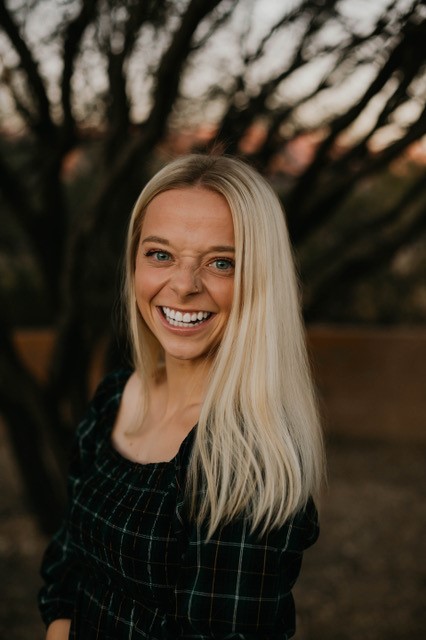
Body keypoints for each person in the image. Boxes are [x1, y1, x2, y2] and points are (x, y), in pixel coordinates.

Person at [38, 154, 325, 639]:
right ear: (133, 264)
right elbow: (67, 568)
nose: (184, 286)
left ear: (259, 279)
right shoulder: (113, 398)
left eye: (220, 263)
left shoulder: (244, 459)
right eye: (160, 254)